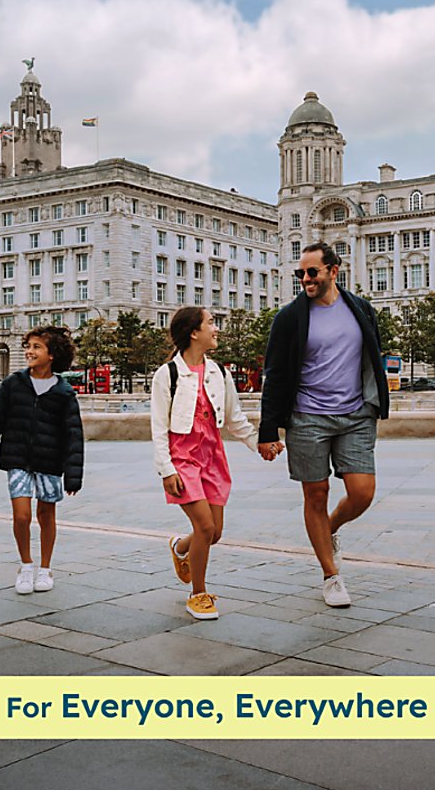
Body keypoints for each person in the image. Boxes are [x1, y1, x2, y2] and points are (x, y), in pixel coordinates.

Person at [258, 241, 389, 608]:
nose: (305, 279)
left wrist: (374, 400)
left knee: (362, 491)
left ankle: (327, 530)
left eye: (312, 272)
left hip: (355, 414)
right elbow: (276, 374)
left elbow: (371, 357)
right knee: (315, 494)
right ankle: (331, 576)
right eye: (300, 273)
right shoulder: (290, 318)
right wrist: (268, 430)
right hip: (307, 417)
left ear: (334, 270)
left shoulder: (360, 309)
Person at [150, 307, 267, 621]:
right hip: (182, 458)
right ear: (193, 332)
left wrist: (261, 444)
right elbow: (158, 427)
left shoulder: (219, 372)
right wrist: (166, 470)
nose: (216, 329)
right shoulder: (167, 374)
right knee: (204, 526)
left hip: (212, 456)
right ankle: (198, 594)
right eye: (211, 323)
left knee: (214, 533)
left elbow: (234, 419)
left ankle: (180, 548)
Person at [0, 325, 83, 594]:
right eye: (28, 346)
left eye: (36, 347)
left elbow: (74, 436)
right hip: (17, 458)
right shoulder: (13, 384)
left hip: (50, 462)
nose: (29, 352)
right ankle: (26, 565)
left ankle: (45, 568)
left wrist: (73, 474)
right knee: (21, 515)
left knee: (46, 514)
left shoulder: (64, 392)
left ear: (52, 354)